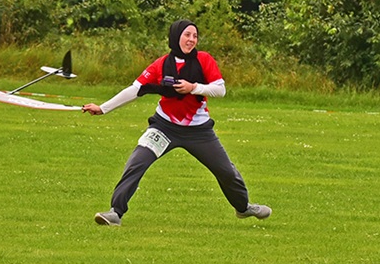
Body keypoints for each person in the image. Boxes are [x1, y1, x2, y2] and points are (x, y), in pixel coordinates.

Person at [83, 19, 272, 226]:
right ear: (175, 36)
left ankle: (244, 208)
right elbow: (135, 90)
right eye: (187, 35)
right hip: (164, 127)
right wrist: (103, 108)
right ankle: (115, 213)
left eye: (195, 36)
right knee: (137, 163)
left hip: (199, 132)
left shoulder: (204, 60)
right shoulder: (161, 64)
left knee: (226, 171)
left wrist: (194, 88)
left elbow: (220, 89)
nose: (191, 40)